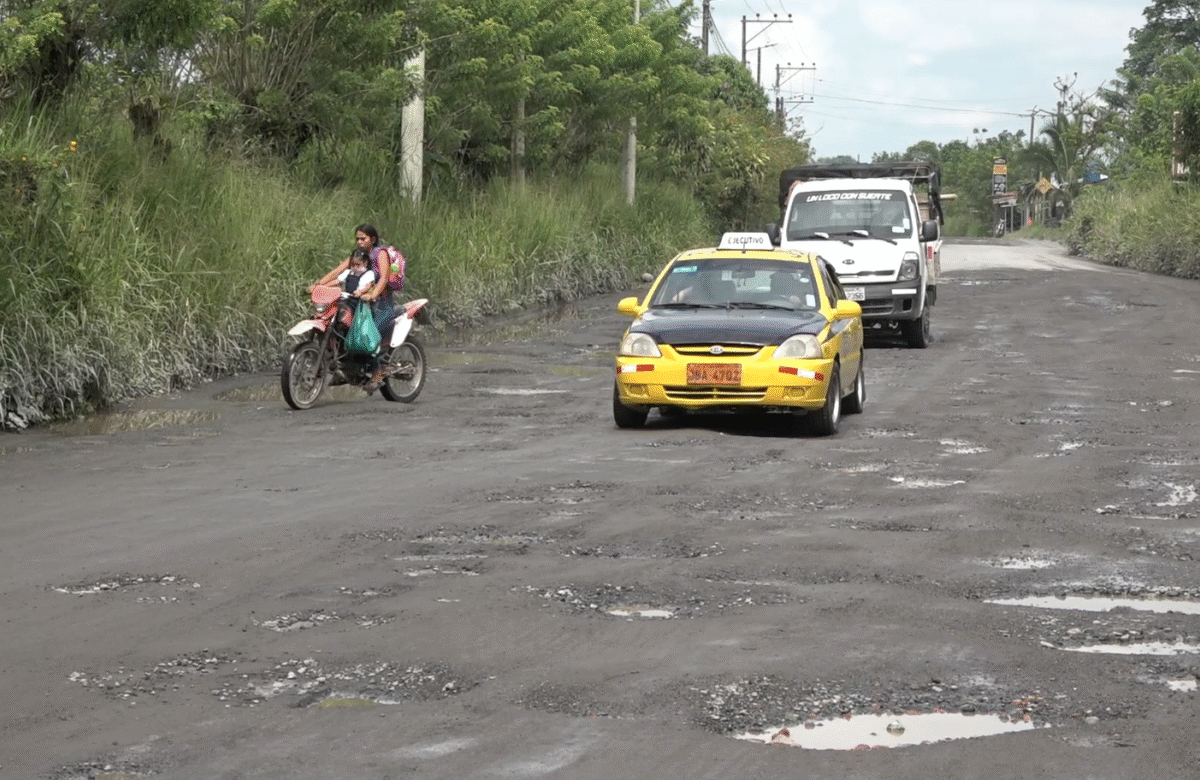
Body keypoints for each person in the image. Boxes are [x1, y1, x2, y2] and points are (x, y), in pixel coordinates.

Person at [313, 223, 404, 392]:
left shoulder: (380, 253)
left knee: (368, 335)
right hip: (360, 304)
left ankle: (378, 373)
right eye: (357, 239)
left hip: (381, 305)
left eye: (363, 238)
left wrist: (372, 294)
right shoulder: (357, 257)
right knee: (341, 327)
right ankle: (345, 366)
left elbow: (383, 278)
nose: (359, 242)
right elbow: (337, 273)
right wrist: (317, 285)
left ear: (373, 239)